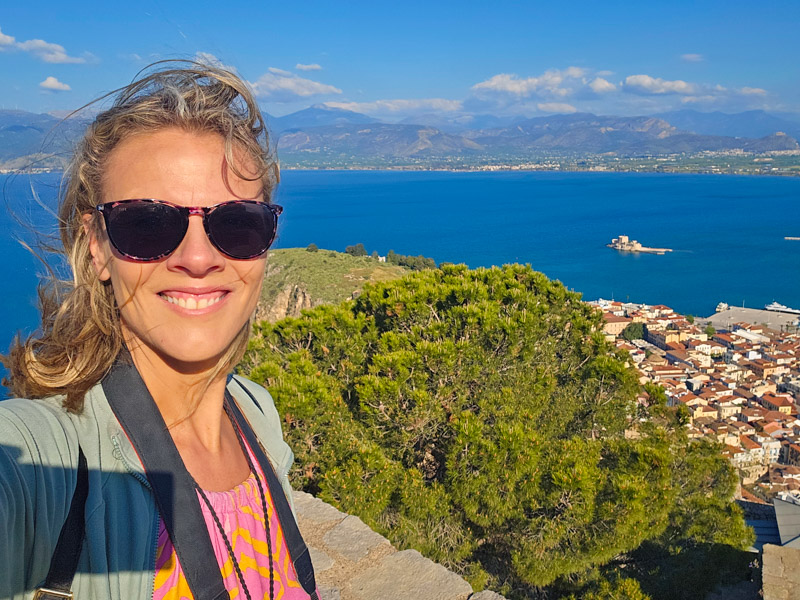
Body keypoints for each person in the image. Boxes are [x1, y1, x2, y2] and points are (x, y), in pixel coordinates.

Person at [0, 62, 317, 600]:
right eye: (147, 222)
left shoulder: (257, 416)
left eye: (237, 222)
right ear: (97, 244)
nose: (198, 258)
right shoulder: (50, 460)